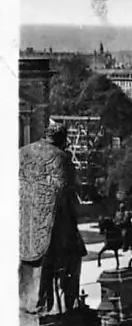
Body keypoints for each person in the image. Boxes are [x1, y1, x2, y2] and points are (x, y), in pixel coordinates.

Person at [19, 123, 88, 315]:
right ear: (61, 139)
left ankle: (27, 301)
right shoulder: (61, 157)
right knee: (74, 252)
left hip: (25, 222)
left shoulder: (22, 152)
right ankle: (62, 305)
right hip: (55, 223)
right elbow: (71, 190)